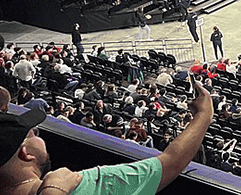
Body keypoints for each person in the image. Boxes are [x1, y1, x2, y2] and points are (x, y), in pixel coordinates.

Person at [0, 77, 214, 195]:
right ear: (26, 153)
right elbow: (170, 163)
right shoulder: (91, 185)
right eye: (31, 133)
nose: (38, 133)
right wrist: (204, 114)